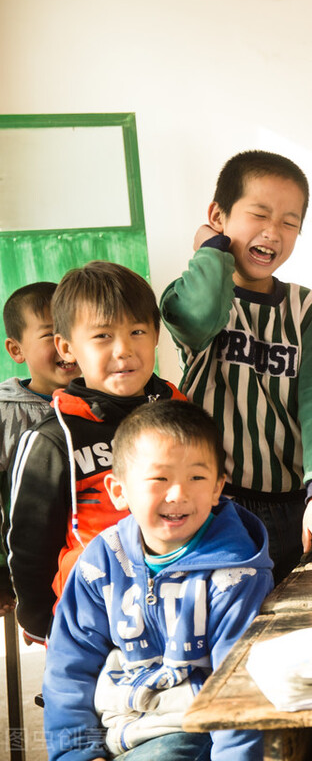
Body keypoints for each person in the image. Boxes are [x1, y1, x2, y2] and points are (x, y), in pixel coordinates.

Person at [43, 399, 273, 761]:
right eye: (159, 478)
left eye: (197, 477)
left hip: (190, 729)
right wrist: (76, 753)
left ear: (217, 488)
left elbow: (238, 687)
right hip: (117, 728)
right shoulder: (100, 562)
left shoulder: (236, 573)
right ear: (119, 491)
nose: (178, 494)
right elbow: (69, 667)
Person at [160, 150, 312, 582]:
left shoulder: (309, 310)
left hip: (297, 503)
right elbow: (203, 311)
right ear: (219, 215)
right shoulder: (186, 296)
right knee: (234, 622)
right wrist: (211, 248)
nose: (273, 232)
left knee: (307, 616)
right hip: (216, 503)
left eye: (289, 222)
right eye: (259, 214)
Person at [7, 261, 187, 643]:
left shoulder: (181, 413)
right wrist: (46, 628)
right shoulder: (54, 438)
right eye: (103, 336)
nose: (124, 350)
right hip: (96, 626)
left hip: (186, 609)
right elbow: (29, 548)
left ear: (156, 335)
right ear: (67, 347)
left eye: (137, 331)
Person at [1, 281, 78, 617]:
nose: (66, 345)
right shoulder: (6, 411)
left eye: (73, 329)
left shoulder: (104, 402)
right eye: (50, 335)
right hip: (30, 564)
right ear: (17, 351)